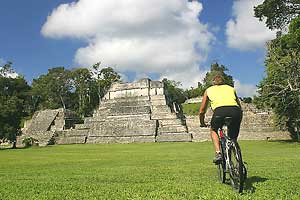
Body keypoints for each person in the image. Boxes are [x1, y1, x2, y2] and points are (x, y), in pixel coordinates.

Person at [198, 74, 242, 164]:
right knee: (233, 137)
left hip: (220, 111)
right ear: (223, 81)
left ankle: (218, 153)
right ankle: (237, 157)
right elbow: (238, 104)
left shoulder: (209, 90)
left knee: (213, 130)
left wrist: (202, 122)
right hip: (236, 111)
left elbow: (202, 111)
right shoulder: (231, 88)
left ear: (213, 82)